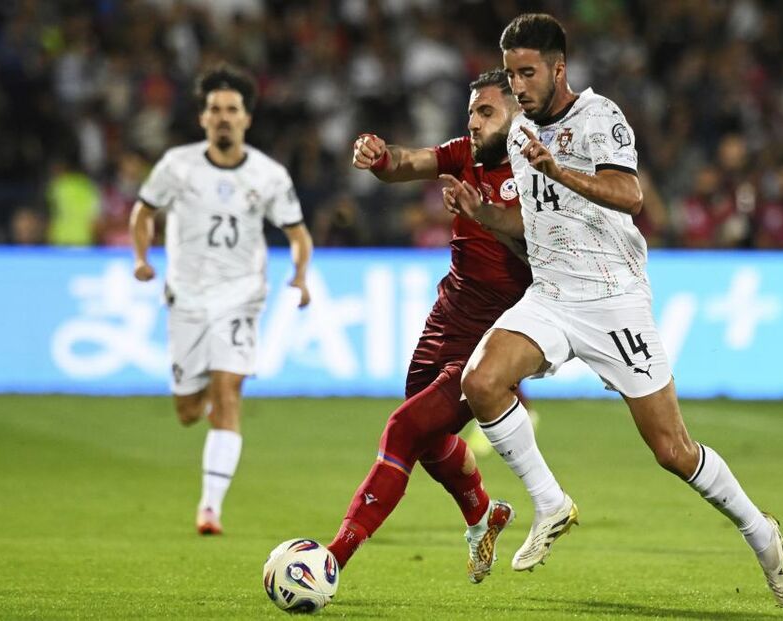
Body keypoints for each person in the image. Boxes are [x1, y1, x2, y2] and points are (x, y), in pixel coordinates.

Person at [442, 14, 783, 606]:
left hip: (614, 301)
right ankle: (550, 503)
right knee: (480, 381)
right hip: (552, 295)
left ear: (559, 68)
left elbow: (629, 196)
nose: (520, 86)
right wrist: (481, 211)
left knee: (672, 451)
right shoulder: (519, 131)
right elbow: (531, 227)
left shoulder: (600, 118)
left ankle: (761, 532)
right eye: (511, 74)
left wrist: (560, 168)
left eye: (528, 72)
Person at [328, 70, 529, 584]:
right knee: (429, 438)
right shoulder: (464, 153)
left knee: (403, 429)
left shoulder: (538, 173)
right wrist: (378, 156)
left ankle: (332, 559)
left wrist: (481, 213)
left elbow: (539, 250)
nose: (475, 122)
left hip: (497, 336)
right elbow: (408, 162)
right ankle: (485, 515)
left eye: (486, 112)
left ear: (517, 114)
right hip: (448, 316)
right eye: (471, 113)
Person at [129, 64, 313, 535]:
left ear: (247, 118)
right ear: (203, 118)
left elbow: (297, 233)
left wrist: (300, 275)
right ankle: (210, 387)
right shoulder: (177, 166)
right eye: (216, 110)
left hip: (240, 297)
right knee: (189, 412)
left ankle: (210, 507)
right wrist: (141, 257)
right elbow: (142, 211)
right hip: (187, 297)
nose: (224, 117)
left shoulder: (268, 175)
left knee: (228, 390)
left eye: (233, 109)